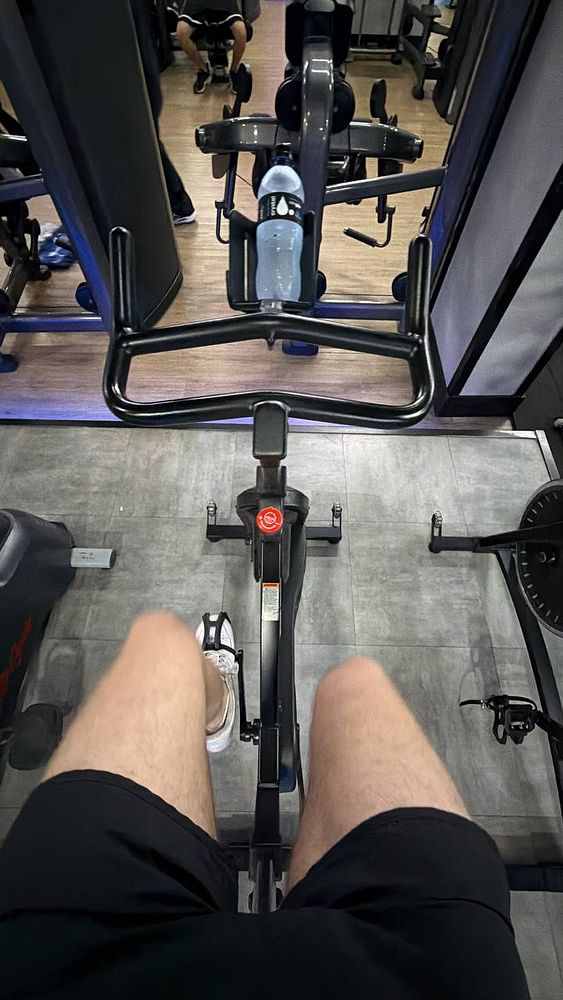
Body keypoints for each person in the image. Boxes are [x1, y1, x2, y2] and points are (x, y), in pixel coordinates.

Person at [0, 608, 529, 998]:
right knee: (353, 685)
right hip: (425, 976)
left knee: (161, 639)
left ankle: (218, 703)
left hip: (69, 969)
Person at [132, 0, 197, 224]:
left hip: (136, 81)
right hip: (142, 76)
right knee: (146, 142)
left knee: (144, 142)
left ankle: (179, 202)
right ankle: (178, 202)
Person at [176, 0, 249, 94]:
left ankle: (234, 70)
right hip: (196, 4)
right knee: (181, 32)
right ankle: (203, 70)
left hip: (224, 4)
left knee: (241, 31)